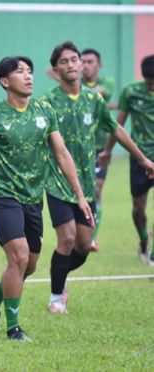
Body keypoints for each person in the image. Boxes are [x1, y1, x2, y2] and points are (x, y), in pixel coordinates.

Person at [0, 56, 90, 341]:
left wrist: (80, 195)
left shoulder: (44, 110)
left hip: (34, 199)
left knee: (29, 265)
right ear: (4, 81)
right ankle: (14, 328)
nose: (28, 76)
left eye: (30, 72)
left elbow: (61, 154)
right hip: (3, 198)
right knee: (19, 257)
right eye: (20, 72)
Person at [42, 41, 154, 314]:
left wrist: (141, 158)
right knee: (66, 239)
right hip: (57, 182)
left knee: (82, 245)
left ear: (82, 65)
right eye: (64, 61)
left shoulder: (94, 100)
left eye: (74, 59)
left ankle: (61, 276)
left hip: (86, 184)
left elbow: (116, 129)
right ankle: (56, 297)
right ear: (55, 69)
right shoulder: (46, 102)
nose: (71, 64)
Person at [100, 54, 154, 264]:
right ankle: (143, 238)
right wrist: (108, 151)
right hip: (140, 157)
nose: (151, 85)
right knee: (138, 207)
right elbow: (118, 124)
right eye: (149, 81)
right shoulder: (131, 92)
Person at [80, 48, 118, 251]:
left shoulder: (106, 83)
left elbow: (99, 94)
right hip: (76, 149)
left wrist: (66, 85)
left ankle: (93, 238)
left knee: (96, 190)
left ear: (99, 65)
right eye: (82, 61)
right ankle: (78, 234)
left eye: (89, 61)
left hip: (99, 148)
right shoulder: (73, 86)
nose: (85, 65)